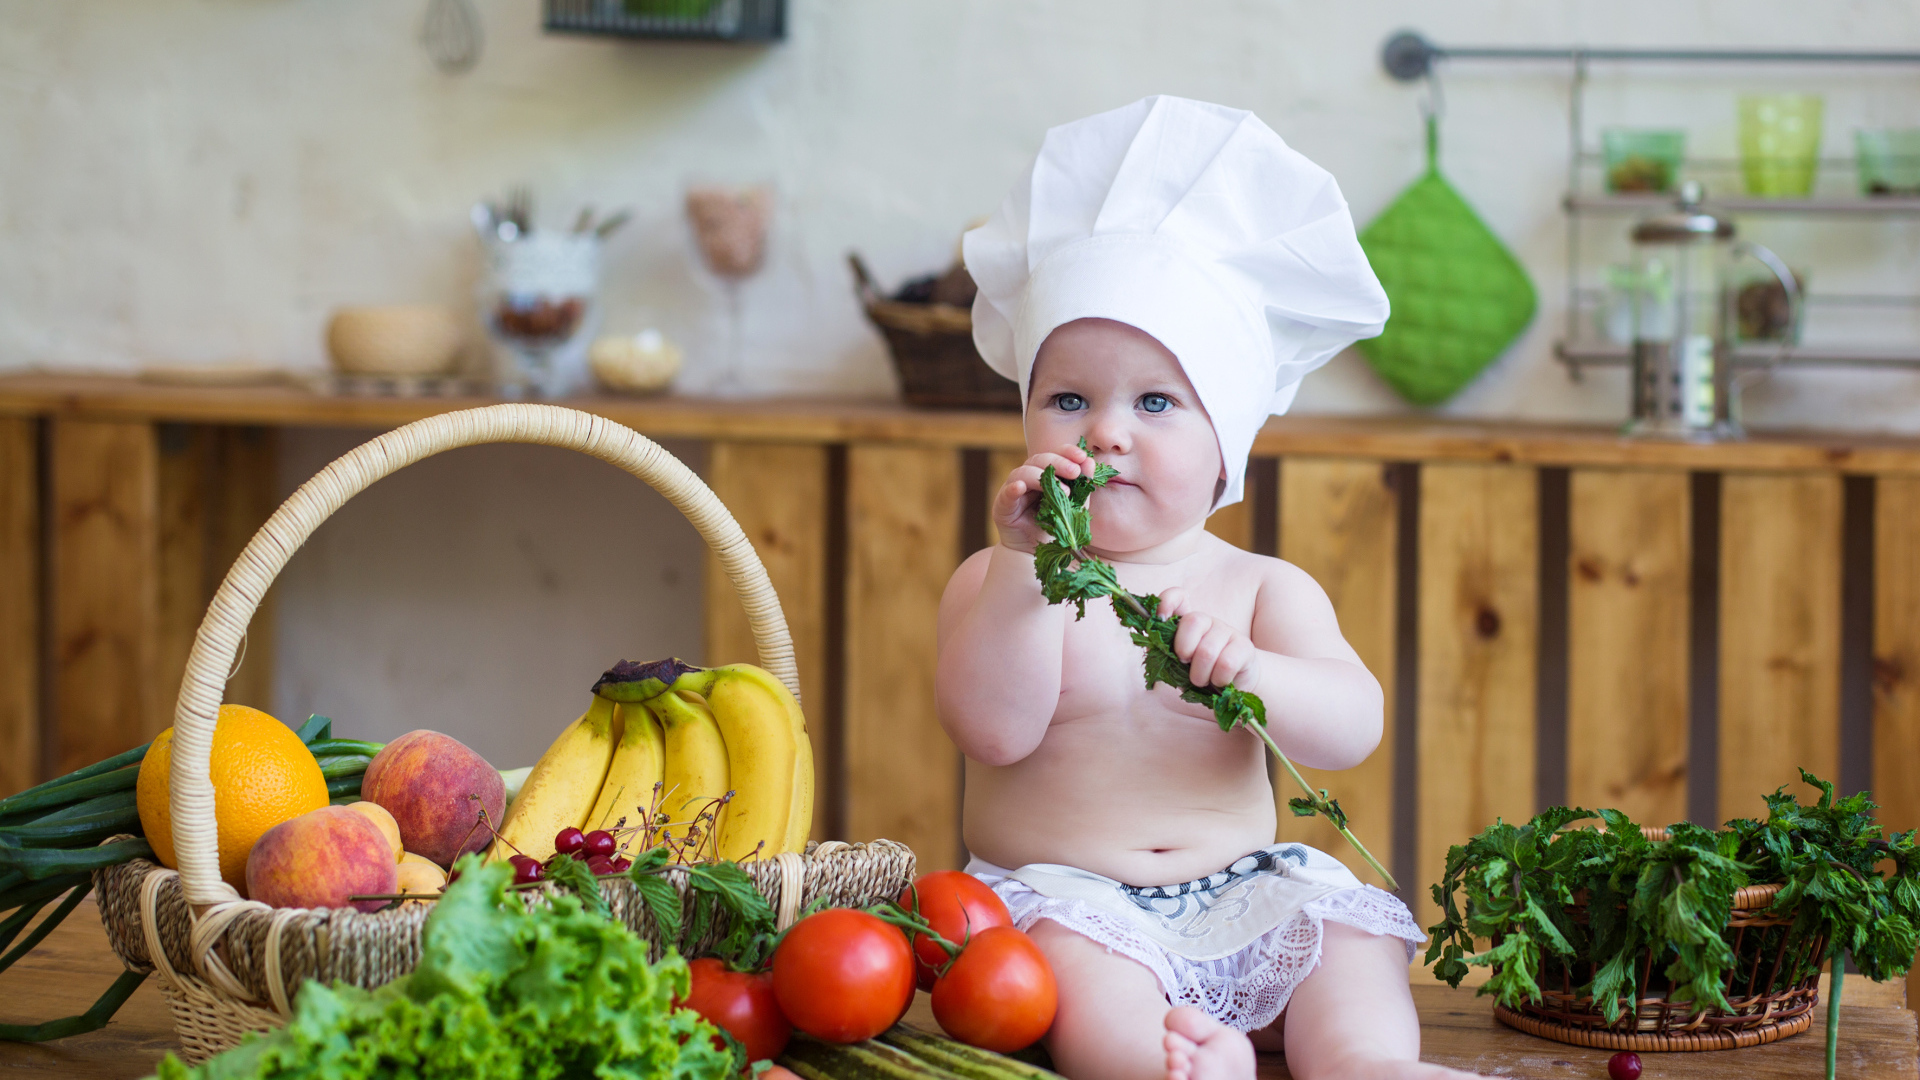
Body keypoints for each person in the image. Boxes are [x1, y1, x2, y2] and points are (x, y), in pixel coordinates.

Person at [937, 97, 1476, 1080]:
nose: (1106, 431)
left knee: (1347, 949)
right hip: (1072, 901)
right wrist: (1025, 568)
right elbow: (994, 732)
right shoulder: (995, 576)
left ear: (1226, 439)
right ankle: (1175, 1064)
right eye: (1068, 399)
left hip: (1248, 890)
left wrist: (1258, 673)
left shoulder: (1262, 587)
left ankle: (1367, 1065)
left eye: (1155, 401)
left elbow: (1352, 726)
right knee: (1079, 991)